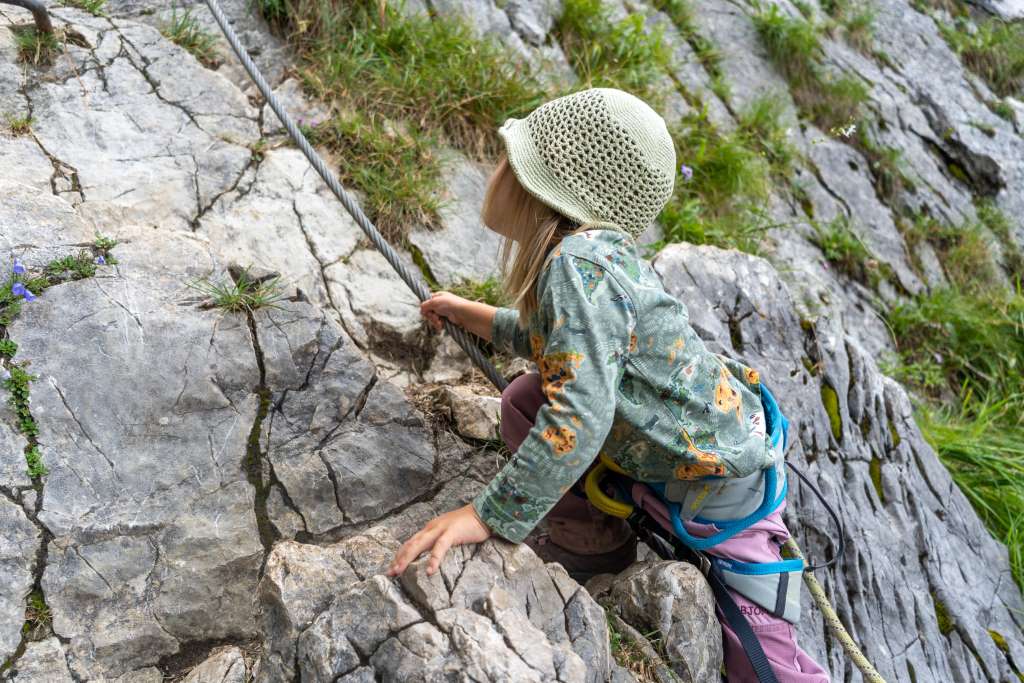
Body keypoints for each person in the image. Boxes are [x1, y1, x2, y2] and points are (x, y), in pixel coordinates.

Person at [386, 87, 829, 682]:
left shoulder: (577, 264)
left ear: (543, 186)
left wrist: (488, 514)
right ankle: (595, 543)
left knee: (759, 658)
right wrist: (478, 315)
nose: (494, 169)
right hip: (661, 450)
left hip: (717, 483)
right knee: (524, 399)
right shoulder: (590, 256)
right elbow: (564, 344)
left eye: (509, 158)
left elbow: (580, 417)